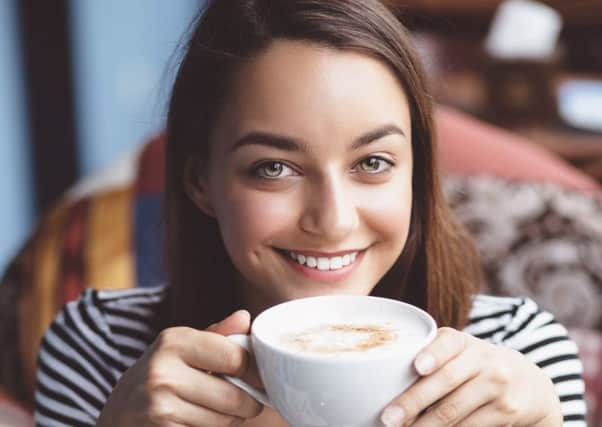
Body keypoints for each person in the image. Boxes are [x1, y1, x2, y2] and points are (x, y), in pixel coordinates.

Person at [34, 0, 587, 426]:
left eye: (372, 162)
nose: (334, 220)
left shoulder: (518, 351)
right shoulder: (100, 344)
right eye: (274, 168)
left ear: (416, 175)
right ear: (201, 181)